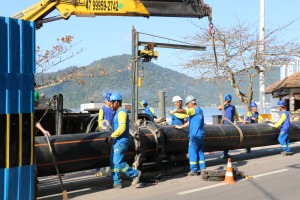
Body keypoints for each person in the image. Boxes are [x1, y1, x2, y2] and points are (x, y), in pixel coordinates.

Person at [106, 93, 141, 188]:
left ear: (117, 102)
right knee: (113, 162)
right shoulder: (117, 113)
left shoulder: (122, 112)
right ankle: (117, 182)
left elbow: (122, 128)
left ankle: (135, 174)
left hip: (122, 140)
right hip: (117, 140)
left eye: (112, 103)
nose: (110, 105)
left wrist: (112, 136)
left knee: (117, 162)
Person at [169, 95, 205, 176]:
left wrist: (175, 111)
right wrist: (181, 126)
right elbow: (190, 122)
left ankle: (193, 170)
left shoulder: (193, 110)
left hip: (194, 135)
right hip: (201, 134)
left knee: (192, 152)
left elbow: (185, 112)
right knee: (200, 151)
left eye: (188, 104)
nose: (187, 106)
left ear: (191, 103)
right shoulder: (200, 110)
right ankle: (203, 168)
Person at [218, 94, 245, 159]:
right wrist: (225, 103)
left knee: (229, 140)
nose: (229, 102)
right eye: (228, 101)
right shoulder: (223, 107)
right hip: (224, 126)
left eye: (229, 101)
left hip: (231, 125)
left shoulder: (233, 107)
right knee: (225, 140)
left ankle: (226, 153)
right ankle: (224, 153)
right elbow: (218, 108)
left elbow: (237, 116)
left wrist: (243, 121)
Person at [96, 92, 114, 177]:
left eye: (111, 101)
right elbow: (100, 120)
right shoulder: (102, 109)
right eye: (109, 101)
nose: (110, 102)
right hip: (104, 132)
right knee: (102, 152)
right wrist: (102, 129)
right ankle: (99, 170)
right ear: (106, 100)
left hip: (111, 132)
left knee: (110, 152)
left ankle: (109, 170)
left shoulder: (113, 109)